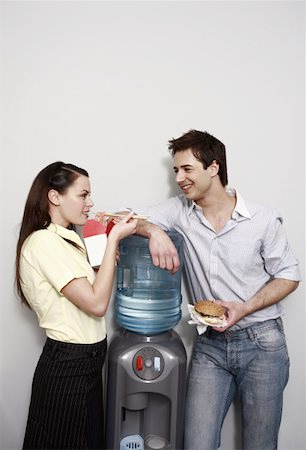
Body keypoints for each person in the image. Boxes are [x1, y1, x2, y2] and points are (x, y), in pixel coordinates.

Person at [128, 130, 301, 450]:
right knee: (196, 443)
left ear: (213, 168)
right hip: (210, 346)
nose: (179, 178)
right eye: (175, 171)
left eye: (186, 169)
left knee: (260, 445)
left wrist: (244, 308)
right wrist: (153, 230)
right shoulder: (177, 212)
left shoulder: (262, 218)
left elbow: (289, 275)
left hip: (262, 343)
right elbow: (126, 219)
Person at [15, 161, 138, 450]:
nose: (90, 202)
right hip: (68, 366)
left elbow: (92, 291)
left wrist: (104, 259)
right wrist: (113, 242)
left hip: (87, 362)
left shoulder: (69, 239)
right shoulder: (44, 242)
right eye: (83, 195)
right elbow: (96, 304)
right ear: (55, 197)